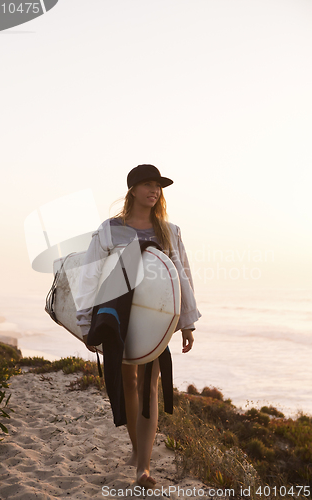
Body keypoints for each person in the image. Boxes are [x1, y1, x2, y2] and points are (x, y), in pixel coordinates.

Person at [76, 164, 201, 488]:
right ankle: (137, 448)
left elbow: (181, 275)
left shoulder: (168, 231)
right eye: (148, 184)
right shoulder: (111, 229)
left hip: (154, 317)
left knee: (149, 387)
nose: (155, 190)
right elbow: (90, 274)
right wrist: (84, 322)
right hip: (119, 315)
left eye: (158, 186)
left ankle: (142, 467)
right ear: (132, 189)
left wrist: (187, 321)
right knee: (127, 382)